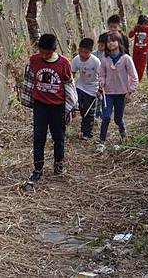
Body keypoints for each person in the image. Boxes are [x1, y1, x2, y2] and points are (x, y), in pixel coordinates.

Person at [20, 34, 76, 192]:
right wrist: (27, 99)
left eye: (47, 53)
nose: (44, 55)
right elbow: (29, 80)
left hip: (57, 107)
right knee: (38, 138)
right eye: (41, 51)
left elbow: (69, 85)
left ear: (54, 50)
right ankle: (37, 169)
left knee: (58, 138)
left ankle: (58, 165)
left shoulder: (63, 63)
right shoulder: (34, 60)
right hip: (41, 106)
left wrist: (71, 106)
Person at [97, 33, 139, 148]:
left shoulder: (126, 59)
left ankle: (123, 133)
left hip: (121, 94)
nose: (110, 43)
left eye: (113, 41)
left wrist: (129, 92)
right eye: (108, 41)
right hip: (108, 93)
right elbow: (101, 75)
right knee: (105, 117)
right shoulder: (104, 59)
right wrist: (101, 82)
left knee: (118, 119)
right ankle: (101, 141)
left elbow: (134, 77)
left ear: (119, 42)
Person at [71, 38, 100, 140]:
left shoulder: (95, 61)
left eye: (86, 52)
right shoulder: (76, 59)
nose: (82, 54)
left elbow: (101, 76)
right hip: (80, 86)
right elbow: (72, 74)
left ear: (91, 52)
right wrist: (70, 86)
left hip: (92, 88)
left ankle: (87, 133)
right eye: (80, 51)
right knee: (81, 108)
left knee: (88, 111)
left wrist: (100, 89)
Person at [128, 14, 148, 81]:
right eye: (142, 24)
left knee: (142, 66)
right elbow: (130, 35)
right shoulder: (136, 28)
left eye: (145, 24)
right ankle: (134, 78)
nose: (143, 26)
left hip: (144, 51)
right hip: (136, 50)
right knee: (135, 64)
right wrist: (133, 29)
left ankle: (139, 79)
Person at [93, 33, 108, 120]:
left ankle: (101, 114)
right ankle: (97, 114)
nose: (100, 47)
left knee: (102, 98)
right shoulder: (93, 54)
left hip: (105, 81)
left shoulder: (107, 56)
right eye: (99, 44)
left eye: (103, 45)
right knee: (97, 98)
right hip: (95, 80)